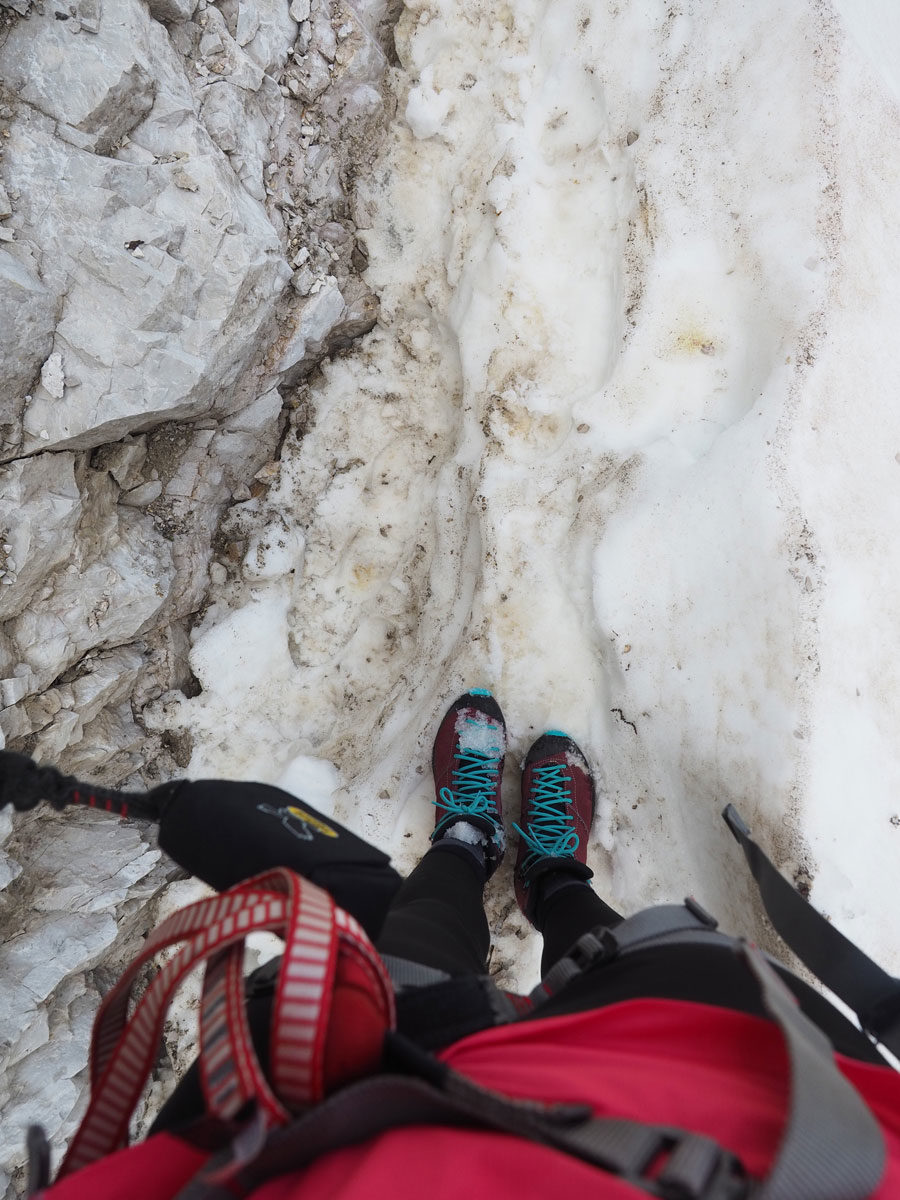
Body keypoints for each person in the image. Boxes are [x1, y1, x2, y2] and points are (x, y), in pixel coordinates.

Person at [13, 690, 900, 1198]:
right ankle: (550, 875)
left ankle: (469, 840)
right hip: (775, 1108)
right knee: (631, 965)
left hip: (345, 1135)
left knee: (417, 966)